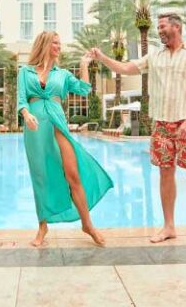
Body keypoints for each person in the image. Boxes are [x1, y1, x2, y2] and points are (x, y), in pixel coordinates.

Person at [91, 12, 186, 244]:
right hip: (161, 123)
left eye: (162, 26)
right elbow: (125, 68)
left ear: (177, 27)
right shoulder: (154, 56)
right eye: (158, 27)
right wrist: (102, 57)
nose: (159, 30)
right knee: (165, 172)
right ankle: (169, 226)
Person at [17, 31, 114, 247]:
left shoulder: (62, 74)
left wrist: (84, 65)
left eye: (60, 43)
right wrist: (26, 114)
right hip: (34, 128)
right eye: (55, 43)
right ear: (44, 44)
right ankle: (43, 227)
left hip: (57, 124)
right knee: (40, 177)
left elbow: (84, 89)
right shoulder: (25, 72)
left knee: (73, 175)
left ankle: (87, 224)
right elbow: (21, 100)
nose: (59, 47)